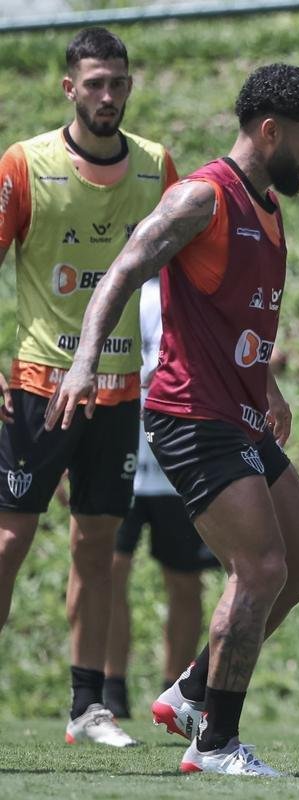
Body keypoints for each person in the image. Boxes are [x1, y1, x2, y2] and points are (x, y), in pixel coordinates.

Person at [46, 63, 299, 777]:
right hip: (191, 415)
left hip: (240, 414)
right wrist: (85, 362)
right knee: (260, 566)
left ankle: (192, 690)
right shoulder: (201, 197)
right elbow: (121, 271)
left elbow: (233, 314)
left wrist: (267, 384)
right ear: (268, 130)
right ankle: (214, 745)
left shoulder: (267, 208)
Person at [0, 26, 178, 747]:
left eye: (119, 82)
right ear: (70, 88)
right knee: (10, 540)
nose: (108, 95)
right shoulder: (25, 165)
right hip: (39, 384)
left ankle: (88, 706)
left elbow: (188, 271)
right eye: (95, 83)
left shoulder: (157, 167)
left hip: (119, 388)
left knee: (97, 546)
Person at [102, 274, 220, 719]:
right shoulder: (117, 292)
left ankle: (174, 692)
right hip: (121, 455)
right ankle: (110, 688)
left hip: (178, 462)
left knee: (184, 578)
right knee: (109, 569)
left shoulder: (192, 291)